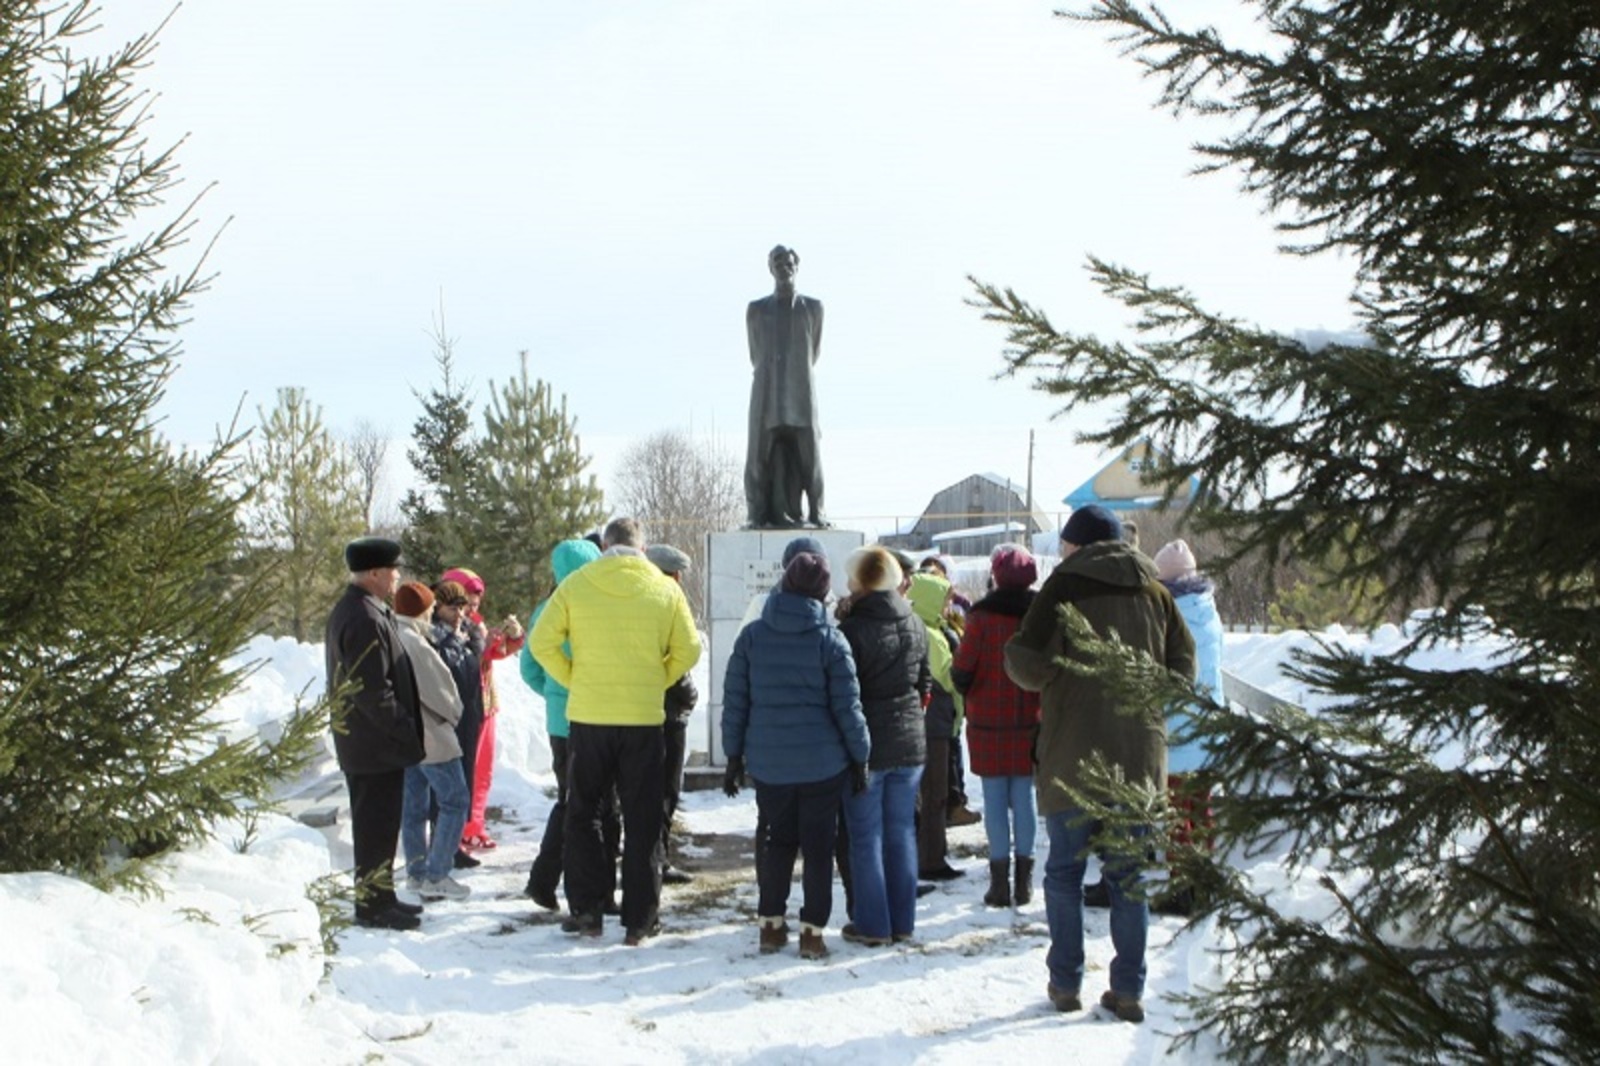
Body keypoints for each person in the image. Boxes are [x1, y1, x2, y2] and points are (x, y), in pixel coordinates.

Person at [1004, 504, 1196, 1024]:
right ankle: (1129, 990)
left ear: (1077, 545)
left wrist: (1048, 670)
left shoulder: (1062, 588)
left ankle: (1066, 983)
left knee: (1065, 872)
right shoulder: (1156, 592)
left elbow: (1027, 662)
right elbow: (1184, 667)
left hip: (1073, 755)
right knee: (1129, 876)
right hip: (1139, 757)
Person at [529, 517, 702, 945]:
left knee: (584, 812)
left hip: (589, 716)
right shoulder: (665, 588)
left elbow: (540, 643)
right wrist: (656, 679)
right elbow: (690, 648)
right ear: (641, 549)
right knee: (643, 818)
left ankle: (587, 911)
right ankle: (640, 919)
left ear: (605, 545)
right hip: (643, 718)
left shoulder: (577, 584)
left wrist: (574, 677)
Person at [722, 551, 870, 960]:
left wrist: (733, 757)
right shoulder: (831, 640)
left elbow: (736, 701)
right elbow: (848, 707)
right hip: (824, 766)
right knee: (820, 849)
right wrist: (861, 757)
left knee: (778, 842)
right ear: (822, 593)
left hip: (769, 765)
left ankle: (770, 925)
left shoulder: (752, 636)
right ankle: (812, 933)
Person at [324, 537, 425, 931]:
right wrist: (402, 729)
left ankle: (382, 896)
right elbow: (372, 689)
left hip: (373, 744)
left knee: (382, 826)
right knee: (374, 826)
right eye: (393, 570)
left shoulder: (364, 609)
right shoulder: (361, 616)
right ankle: (372, 905)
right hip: (373, 745)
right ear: (374, 573)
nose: (398, 576)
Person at [837, 546, 930, 947]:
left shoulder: (852, 630)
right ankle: (903, 921)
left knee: (865, 837)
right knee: (901, 834)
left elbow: (844, 692)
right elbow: (925, 684)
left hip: (868, 746)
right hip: (911, 743)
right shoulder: (916, 623)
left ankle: (873, 925)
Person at [518, 538, 614, 911]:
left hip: (560, 723)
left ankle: (552, 882)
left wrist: (555, 694)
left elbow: (529, 668)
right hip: (594, 717)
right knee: (589, 807)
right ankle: (550, 881)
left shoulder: (544, 609)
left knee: (573, 802)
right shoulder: (591, 604)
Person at [951, 544, 1042, 909]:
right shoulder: (1041, 615)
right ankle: (1025, 882)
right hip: (1029, 720)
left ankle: (999, 884)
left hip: (988, 721)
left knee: (994, 801)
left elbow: (961, 670)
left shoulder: (981, 617)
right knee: (1025, 798)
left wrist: (972, 690)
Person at [391, 581, 472, 902]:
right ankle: (437, 873)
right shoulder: (416, 642)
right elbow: (441, 691)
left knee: (413, 806)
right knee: (455, 800)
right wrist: (454, 714)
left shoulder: (391, 635)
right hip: (431, 734)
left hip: (406, 735)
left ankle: (416, 870)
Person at [440, 566, 524, 853]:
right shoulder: (447, 625)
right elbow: (473, 655)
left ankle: (475, 825)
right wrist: (487, 645)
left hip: (487, 702)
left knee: (482, 770)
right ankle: (458, 829)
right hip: (464, 705)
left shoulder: (477, 622)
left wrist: (512, 640)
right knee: (464, 771)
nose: (473, 608)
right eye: (468, 601)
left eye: (477, 602)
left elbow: (493, 655)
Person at [744, 244, 826, 528]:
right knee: (758, 456)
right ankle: (756, 513)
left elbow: (812, 353)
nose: (783, 267)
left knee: (810, 456)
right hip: (766, 394)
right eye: (777, 262)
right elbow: (756, 354)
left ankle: (818, 511)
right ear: (770, 268)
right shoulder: (756, 310)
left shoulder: (813, 308)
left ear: (796, 266)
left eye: (788, 262)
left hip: (801, 393)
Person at [644, 544, 701, 886]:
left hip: (651, 710)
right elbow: (677, 656)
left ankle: (655, 857)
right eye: (677, 574)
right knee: (663, 791)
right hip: (666, 713)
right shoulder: (664, 604)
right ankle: (657, 861)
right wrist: (686, 692)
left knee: (655, 792)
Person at [908, 570, 965, 883]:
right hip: (934, 722)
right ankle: (931, 859)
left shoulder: (927, 627)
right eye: (944, 601)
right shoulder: (930, 635)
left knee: (930, 792)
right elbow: (946, 676)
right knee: (935, 793)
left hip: (931, 719)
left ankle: (929, 855)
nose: (947, 608)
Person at [429, 580, 485, 872]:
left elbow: (474, 665)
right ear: (438, 607)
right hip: (447, 718)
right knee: (445, 789)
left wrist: (475, 640)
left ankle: (453, 844)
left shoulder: (465, 633)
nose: (459, 614)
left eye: (462, 608)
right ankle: (439, 847)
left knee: (464, 780)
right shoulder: (434, 636)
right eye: (453, 608)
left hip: (468, 714)